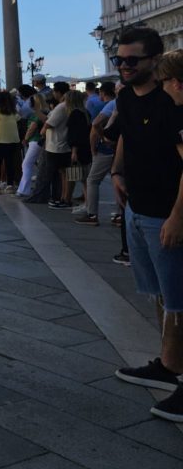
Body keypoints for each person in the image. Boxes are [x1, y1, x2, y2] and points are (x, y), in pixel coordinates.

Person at [111, 34, 183, 423]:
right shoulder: (125, 96)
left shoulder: (172, 103)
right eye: (119, 59)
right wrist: (118, 171)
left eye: (131, 61)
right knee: (161, 295)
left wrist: (177, 217)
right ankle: (170, 364)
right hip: (137, 209)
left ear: (155, 61)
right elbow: (125, 134)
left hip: (166, 213)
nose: (123, 66)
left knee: (179, 301)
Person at [75, 82, 119, 227]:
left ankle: (91, 214)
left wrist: (99, 141)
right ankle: (120, 214)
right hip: (122, 148)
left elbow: (95, 124)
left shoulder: (112, 104)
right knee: (118, 179)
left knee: (92, 180)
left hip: (107, 147)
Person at [41, 82, 72, 208]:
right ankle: (64, 197)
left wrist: (43, 131)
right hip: (63, 143)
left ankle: (62, 198)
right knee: (63, 173)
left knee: (60, 173)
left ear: (58, 92)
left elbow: (49, 123)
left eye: (54, 91)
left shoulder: (61, 107)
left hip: (56, 144)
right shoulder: (67, 106)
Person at [62, 90, 93, 208]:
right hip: (86, 147)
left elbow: (75, 134)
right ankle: (88, 203)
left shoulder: (74, 113)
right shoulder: (85, 112)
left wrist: (74, 151)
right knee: (85, 178)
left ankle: (84, 204)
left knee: (77, 176)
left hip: (77, 149)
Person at [0, 90, 21, 193]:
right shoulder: (14, 113)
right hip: (12, 141)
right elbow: (19, 121)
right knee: (10, 163)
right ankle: (10, 185)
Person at [16, 94, 48, 197]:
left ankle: (24, 189)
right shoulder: (46, 111)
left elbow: (32, 127)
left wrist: (25, 139)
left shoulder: (37, 114)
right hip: (42, 141)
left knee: (26, 164)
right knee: (39, 164)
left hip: (35, 140)